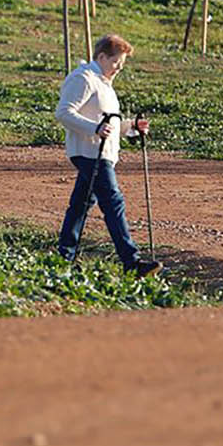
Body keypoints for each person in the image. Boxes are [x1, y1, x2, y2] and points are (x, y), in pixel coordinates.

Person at [53, 33, 161, 275]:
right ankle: (131, 262)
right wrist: (95, 129)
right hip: (89, 153)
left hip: (101, 153)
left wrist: (131, 127)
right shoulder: (83, 78)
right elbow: (63, 113)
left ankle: (64, 256)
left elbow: (107, 122)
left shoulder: (103, 83)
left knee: (81, 205)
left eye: (121, 64)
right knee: (113, 202)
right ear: (101, 56)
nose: (118, 68)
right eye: (115, 62)